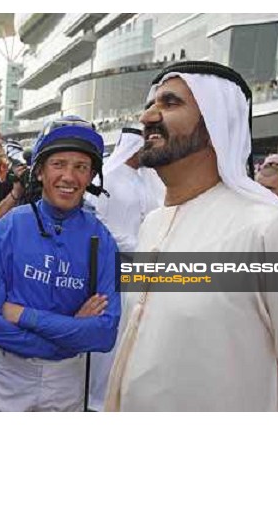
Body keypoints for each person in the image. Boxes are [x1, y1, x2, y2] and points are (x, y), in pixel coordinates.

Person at [105, 61, 278, 412]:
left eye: (170, 103)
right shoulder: (153, 225)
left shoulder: (268, 231)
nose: (147, 117)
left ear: (215, 123)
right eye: (151, 105)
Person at [0, 115, 121, 412]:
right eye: (59, 164)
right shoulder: (6, 229)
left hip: (67, 383)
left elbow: (104, 334)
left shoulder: (103, 240)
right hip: (9, 379)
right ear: (39, 171)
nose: (69, 176)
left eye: (80, 167)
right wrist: (73, 330)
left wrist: (22, 314)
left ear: (91, 176)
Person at [87, 126, 165, 411]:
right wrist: (135, 244)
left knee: (137, 325)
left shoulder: (146, 179)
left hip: (145, 263)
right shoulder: (108, 177)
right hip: (116, 262)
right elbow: (99, 223)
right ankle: (97, 397)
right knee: (113, 325)